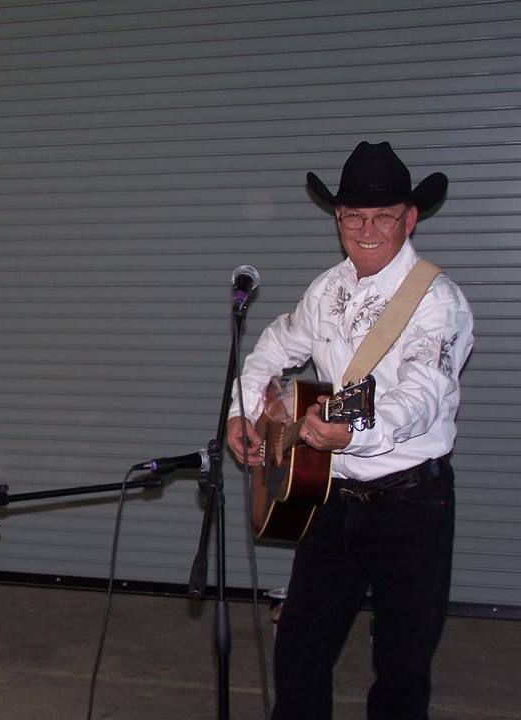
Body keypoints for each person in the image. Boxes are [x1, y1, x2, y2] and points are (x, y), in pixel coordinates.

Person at [226, 142, 473, 720]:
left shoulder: (438, 302)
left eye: (383, 216)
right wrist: (242, 409)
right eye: (354, 216)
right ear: (337, 218)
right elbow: (275, 346)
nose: (367, 230)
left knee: (401, 668)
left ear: (409, 219)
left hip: (411, 505)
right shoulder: (326, 289)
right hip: (330, 498)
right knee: (299, 654)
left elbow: (422, 397)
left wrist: (354, 433)